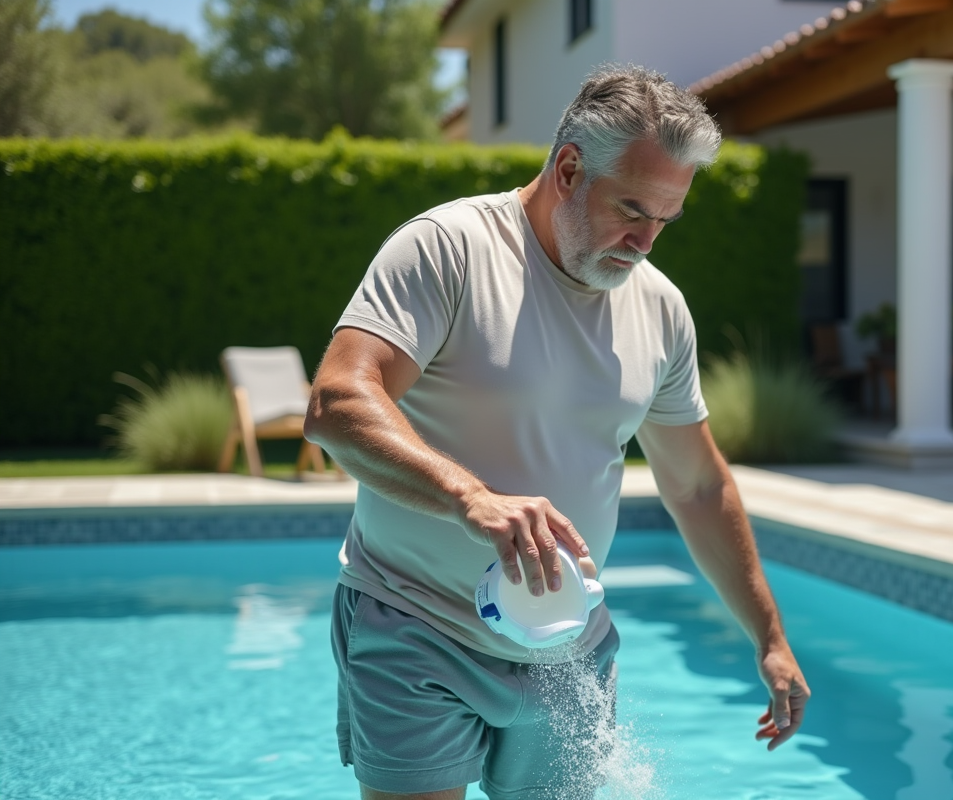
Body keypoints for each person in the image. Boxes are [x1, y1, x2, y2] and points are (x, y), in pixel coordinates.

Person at [303, 64, 811, 800]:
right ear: (569, 167)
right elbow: (338, 401)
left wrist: (769, 637)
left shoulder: (662, 311)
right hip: (414, 622)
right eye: (632, 209)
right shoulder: (449, 247)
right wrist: (468, 497)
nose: (644, 241)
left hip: (568, 646)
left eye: (665, 220)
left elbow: (698, 485)